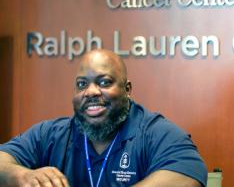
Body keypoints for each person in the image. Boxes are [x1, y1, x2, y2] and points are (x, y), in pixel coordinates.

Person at [0, 49, 207, 187]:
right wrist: (22, 176)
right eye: (82, 84)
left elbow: (189, 174)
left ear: (127, 90)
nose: (91, 92)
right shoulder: (52, 134)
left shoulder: (155, 132)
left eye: (104, 82)